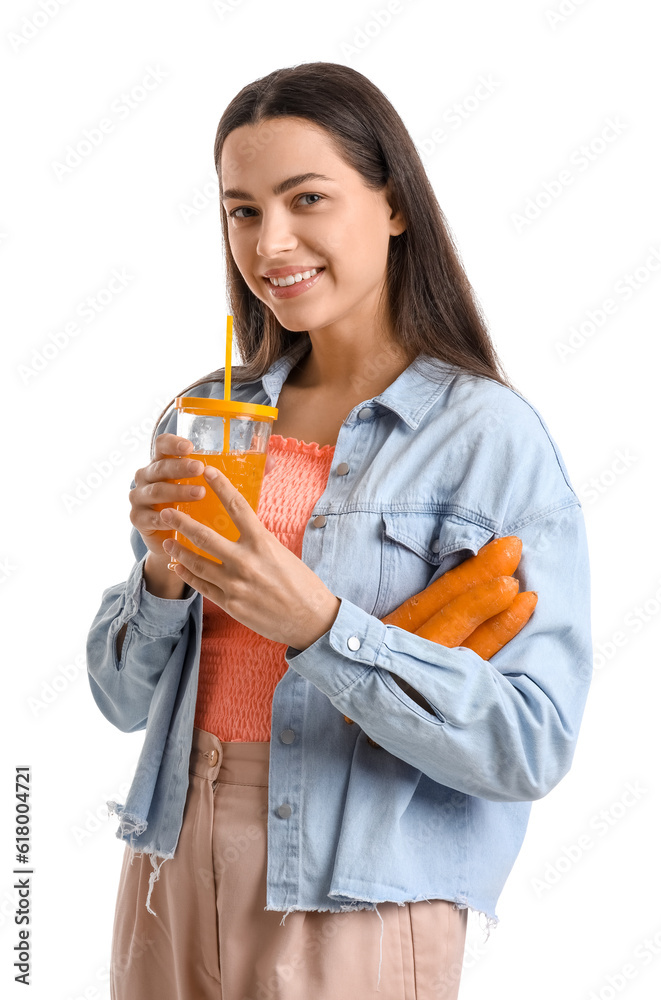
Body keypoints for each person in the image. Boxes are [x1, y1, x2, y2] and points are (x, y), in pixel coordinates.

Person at [86, 61, 594, 1000]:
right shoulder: (211, 413)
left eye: (306, 198)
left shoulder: (485, 437)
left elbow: (528, 743)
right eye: (242, 210)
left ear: (393, 206)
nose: (270, 241)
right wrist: (160, 578)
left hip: (353, 885)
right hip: (171, 851)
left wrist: (321, 626)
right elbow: (120, 701)